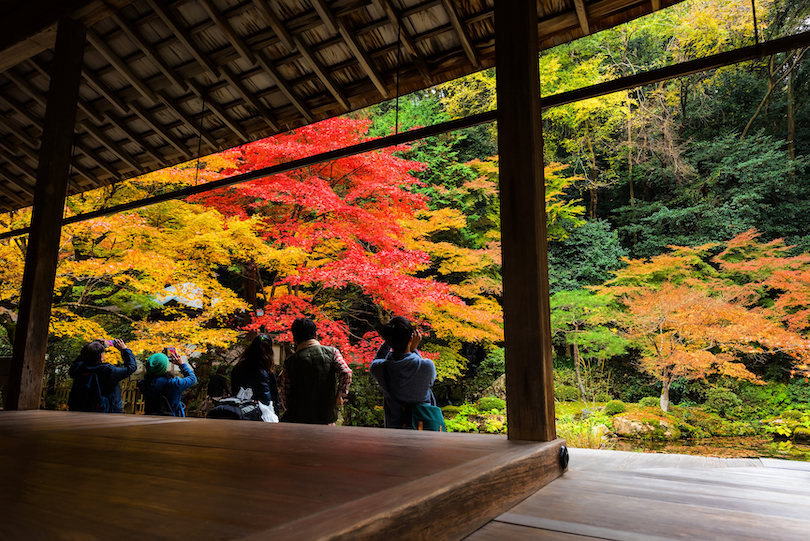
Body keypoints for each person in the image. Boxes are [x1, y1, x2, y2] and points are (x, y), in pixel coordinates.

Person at [278, 318, 352, 424]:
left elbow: (285, 392)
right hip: (326, 417)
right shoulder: (332, 352)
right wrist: (340, 394)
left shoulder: (291, 362)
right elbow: (346, 372)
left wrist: (291, 409)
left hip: (300, 420)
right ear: (316, 335)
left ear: (295, 338)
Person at [370, 316, 437, 429]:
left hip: (394, 430)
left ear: (388, 340)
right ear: (411, 339)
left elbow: (377, 359)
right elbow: (423, 373)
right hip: (422, 427)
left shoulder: (380, 368)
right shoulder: (427, 366)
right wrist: (414, 350)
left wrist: (389, 339)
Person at [68, 339, 137, 413]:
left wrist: (92, 347)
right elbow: (131, 367)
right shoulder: (109, 371)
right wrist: (124, 350)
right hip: (107, 411)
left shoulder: (77, 369)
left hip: (80, 410)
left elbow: (82, 358)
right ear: (101, 357)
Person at [138, 349, 198, 417]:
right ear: (165, 368)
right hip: (172, 421)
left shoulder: (143, 384)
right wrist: (182, 365)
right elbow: (193, 378)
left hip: (150, 420)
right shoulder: (174, 384)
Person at [230, 334, 280, 415]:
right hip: (259, 414)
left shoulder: (239, 367)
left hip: (239, 412)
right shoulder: (264, 371)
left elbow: (234, 390)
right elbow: (267, 399)